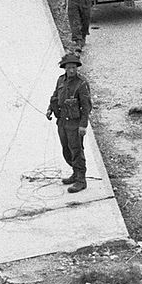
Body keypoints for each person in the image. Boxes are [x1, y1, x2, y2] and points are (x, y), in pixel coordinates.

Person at [46, 51, 92, 193]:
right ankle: (75, 173)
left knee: (76, 150)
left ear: (77, 68)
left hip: (74, 123)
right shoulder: (61, 80)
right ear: (64, 68)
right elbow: (55, 96)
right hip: (62, 121)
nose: (71, 70)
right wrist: (49, 109)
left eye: (74, 67)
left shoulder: (82, 83)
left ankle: (81, 180)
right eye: (69, 67)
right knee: (66, 149)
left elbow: (86, 106)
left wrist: (83, 125)